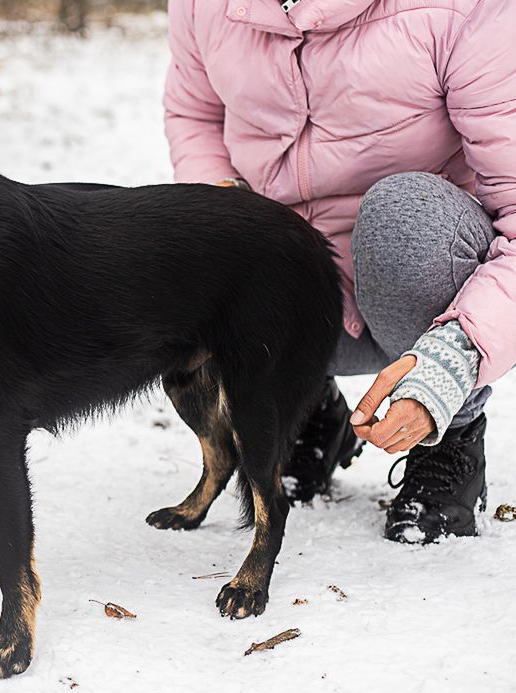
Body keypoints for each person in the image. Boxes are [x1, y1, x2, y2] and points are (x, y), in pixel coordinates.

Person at [163, 0, 516, 543]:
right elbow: (196, 114)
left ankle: (450, 440)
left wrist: (455, 360)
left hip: (428, 289)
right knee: (180, 233)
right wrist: (223, 213)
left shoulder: (468, 11)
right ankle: (309, 408)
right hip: (303, 296)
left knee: (404, 213)